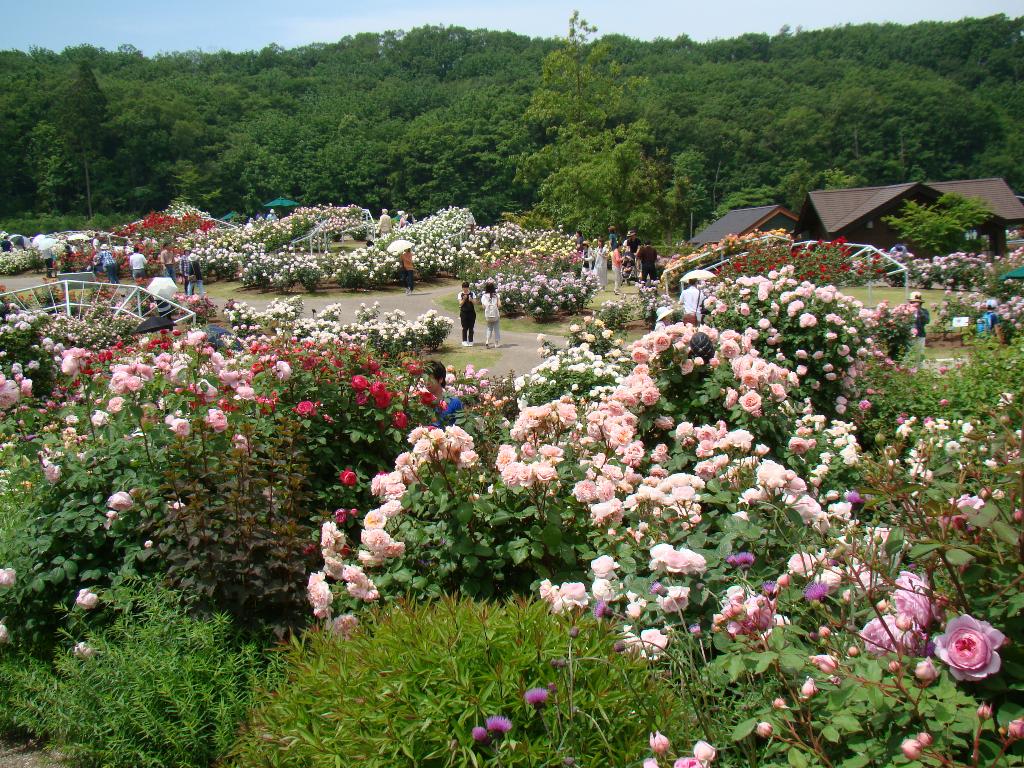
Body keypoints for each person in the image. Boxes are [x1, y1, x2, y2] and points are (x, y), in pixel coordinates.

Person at [425, 360, 463, 427]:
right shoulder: (422, 402)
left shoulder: (454, 402)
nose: (427, 383)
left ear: (440, 379)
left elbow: (461, 429)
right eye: (425, 379)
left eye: (430, 379)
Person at [909, 292, 929, 364]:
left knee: (920, 356)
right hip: (908, 336)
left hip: (920, 336)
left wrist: (919, 311)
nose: (916, 304)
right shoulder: (906, 311)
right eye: (913, 302)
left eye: (918, 303)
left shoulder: (924, 311)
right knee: (907, 355)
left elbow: (927, 321)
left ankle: (919, 371)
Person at [481, 281, 501, 349]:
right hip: (495, 315)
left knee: (489, 329)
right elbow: (499, 305)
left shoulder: (484, 296)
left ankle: (487, 341)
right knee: (496, 329)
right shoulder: (497, 295)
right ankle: (496, 343)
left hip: (488, 315)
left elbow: (483, 307)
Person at [458, 281, 477, 346]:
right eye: (464, 287)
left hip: (471, 313)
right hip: (463, 313)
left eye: (466, 287)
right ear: (462, 288)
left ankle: (471, 340)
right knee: (464, 327)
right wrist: (464, 299)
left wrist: (471, 300)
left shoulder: (472, 293)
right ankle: (464, 340)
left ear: (468, 287)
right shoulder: (460, 294)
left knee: (471, 327)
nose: (465, 289)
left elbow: (475, 303)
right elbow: (460, 304)